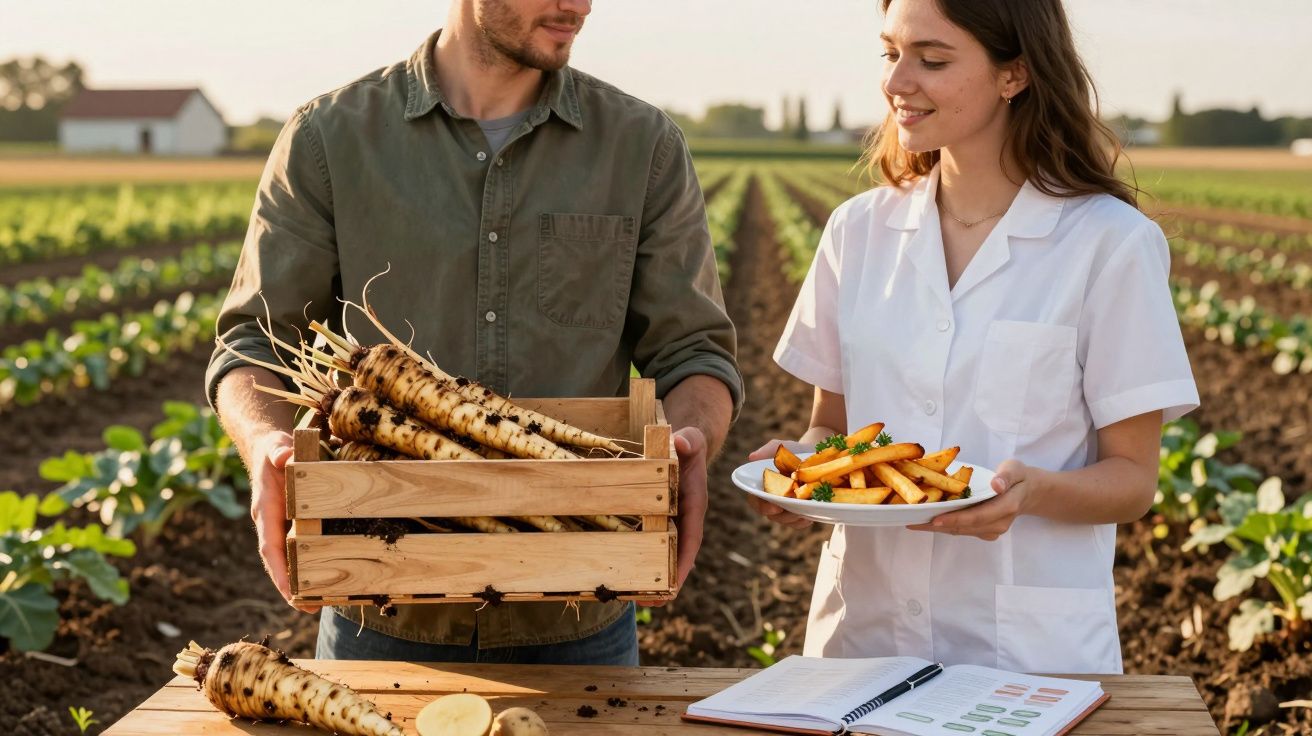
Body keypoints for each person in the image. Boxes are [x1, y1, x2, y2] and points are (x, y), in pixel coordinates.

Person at [208, 0, 742, 665]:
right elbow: (253, 342)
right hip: (378, 605)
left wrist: (691, 439)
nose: (578, 5)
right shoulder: (329, 138)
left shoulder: (642, 146)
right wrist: (265, 440)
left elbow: (695, 352)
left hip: (581, 609)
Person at [748, 0, 1197, 674]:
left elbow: (1133, 480)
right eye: (890, 53)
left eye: (931, 60)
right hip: (862, 641)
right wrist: (802, 471)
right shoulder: (856, 232)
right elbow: (831, 429)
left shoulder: (1110, 244)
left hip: (1026, 656)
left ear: (1014, 74)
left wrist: (1031, 493)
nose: (896, 82)